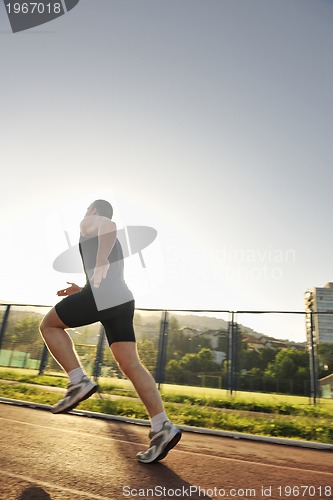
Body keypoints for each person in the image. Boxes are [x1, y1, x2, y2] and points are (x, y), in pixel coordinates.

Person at [40, 199, 181, 463]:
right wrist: (79, 290)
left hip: (103, 296)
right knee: (131, 365)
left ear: (92, 211)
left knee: (48, 325)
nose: (85, 216)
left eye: (87, 212)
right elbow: (102, 274)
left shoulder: (89, 222)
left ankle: (77, 381)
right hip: (122, 300)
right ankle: (162, 426)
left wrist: (102, 258)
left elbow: (110, 225)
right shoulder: (98, 238)